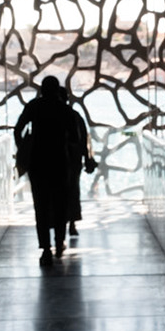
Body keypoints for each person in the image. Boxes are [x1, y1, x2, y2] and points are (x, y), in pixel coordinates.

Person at [14, 76, 89, 262]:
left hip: (38, 162)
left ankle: (45, 248)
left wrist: (24, 146)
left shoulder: (34, 106)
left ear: (41, 89)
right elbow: (75, 138)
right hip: (59, 162)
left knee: (41, 205)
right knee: (60, 203)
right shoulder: (66, 111)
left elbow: (18, 129)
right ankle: (59, 242)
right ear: (57, 90)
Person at [65, 98, 96, 239]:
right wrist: (87, 158)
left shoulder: (42, 114)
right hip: (73, 161)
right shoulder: (74, 116)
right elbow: (84, 139)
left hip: (50, 162)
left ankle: (58, 227)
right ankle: (71, 223)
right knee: (72, 192)